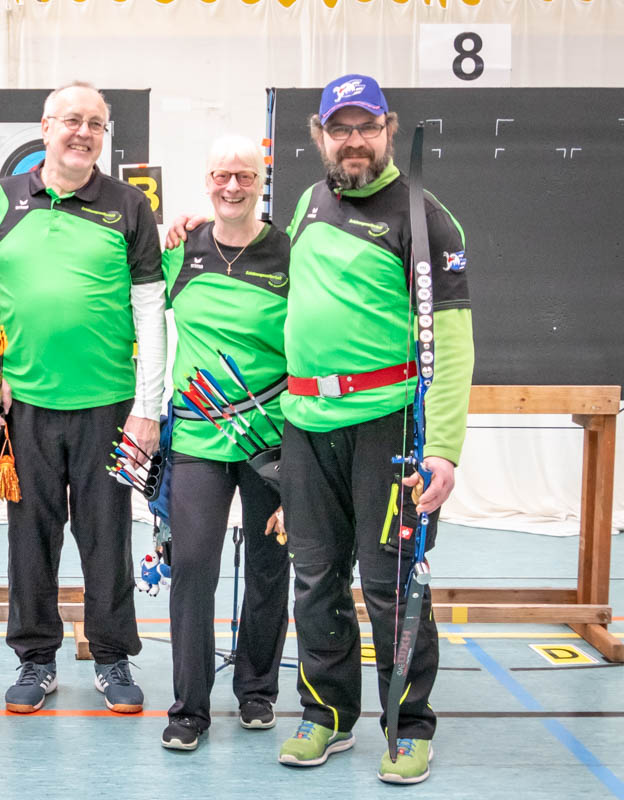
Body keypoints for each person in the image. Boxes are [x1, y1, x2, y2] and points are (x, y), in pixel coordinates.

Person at [274, 75, 473, 783]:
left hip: (387, 425)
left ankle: (408, 725)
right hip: (305, 423)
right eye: (340, 128)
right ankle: (326, 714)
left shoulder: (427, 219)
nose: (353, 140)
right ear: (320, 135)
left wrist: (442, 449)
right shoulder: (308, 203)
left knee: (390, 583)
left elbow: (452, 342)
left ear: (388, 128)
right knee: (314, 577)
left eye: (366, 126)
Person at [0, 81, 166, 713]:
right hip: (24, 408)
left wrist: (147, 407)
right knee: (30, 538)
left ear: (105, 135)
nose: (83, 132)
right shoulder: (1, 201)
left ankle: (112, 657)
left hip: (110, 406)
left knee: (108, 539)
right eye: (71, 120)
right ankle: (35, 658)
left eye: (95, 124)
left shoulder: (130, 206)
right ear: (45, 127)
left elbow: (150, 309)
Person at [159, 135, 291, 751]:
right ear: (207, 181)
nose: (231, 186)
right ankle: (190, 708)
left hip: (274, 440)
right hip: (198, 438)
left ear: (262, 181)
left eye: (244, 176)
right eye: (220, 175)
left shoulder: (290, 253)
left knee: (269, 565)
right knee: (191, 567)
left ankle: (257, 690)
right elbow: (138, 313)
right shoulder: (181, 249)